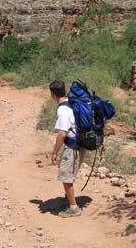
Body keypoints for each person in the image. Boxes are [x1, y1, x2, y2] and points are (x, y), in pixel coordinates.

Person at [49, 79, 85, 217]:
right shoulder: (71, 102)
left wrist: (55, 152)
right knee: (68, 175)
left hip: (72, 147)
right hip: (78, 145)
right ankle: (69, 199)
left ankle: (73, 208)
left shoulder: (63, 109)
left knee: (66, 177)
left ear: (52, 94)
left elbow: (62, 133)